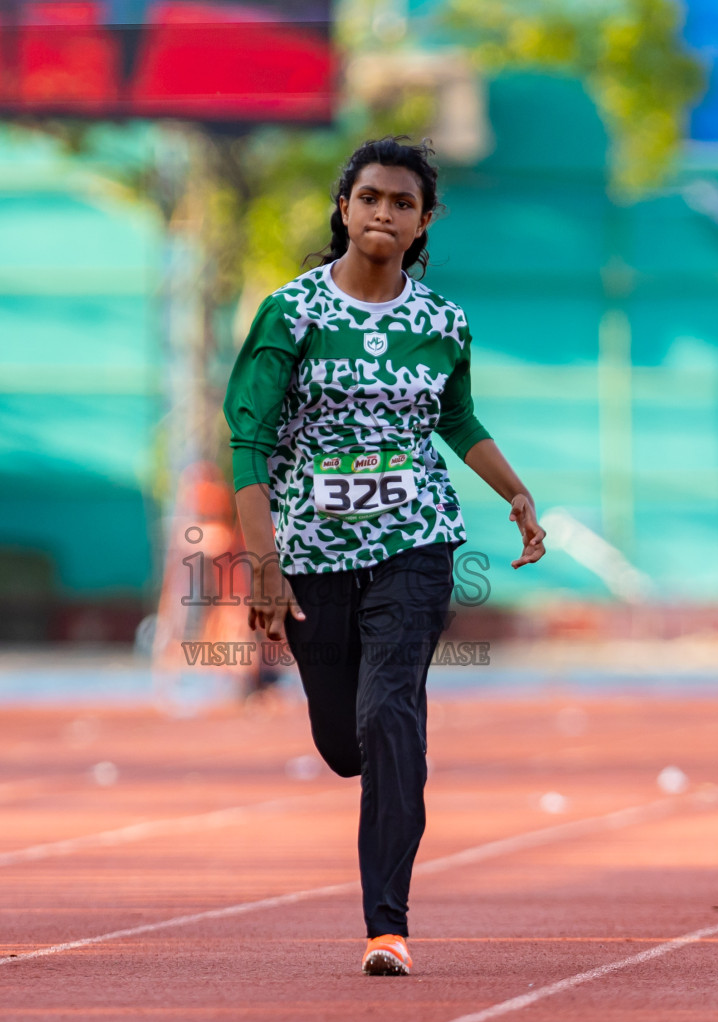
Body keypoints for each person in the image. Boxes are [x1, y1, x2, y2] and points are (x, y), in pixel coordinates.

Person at [223, 137, 545, 976]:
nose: (383, 214)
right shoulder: (291, 313)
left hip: (417, 541)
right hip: (314, 554)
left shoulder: (442, 323)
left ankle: (387, 924)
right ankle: (388, 743)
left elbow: (458, 420)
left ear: (423, 222)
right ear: (344, 207)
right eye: (370, 198)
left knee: (388, 714)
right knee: (344, 743)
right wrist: (263, 563)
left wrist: (514, 492)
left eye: (402, 204)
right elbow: (249, 439)